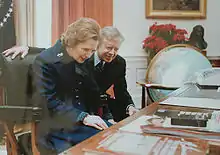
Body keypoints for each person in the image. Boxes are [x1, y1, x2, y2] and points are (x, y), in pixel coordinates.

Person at [3, 26, 139, 122]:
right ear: (97, 44)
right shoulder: (81, 56)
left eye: (116, 49)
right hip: (77, 108)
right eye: (109, 48)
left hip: (99, 105)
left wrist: (130, 107)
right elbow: (55, 54)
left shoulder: (119, 63)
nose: (112, 53)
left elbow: (121, 90)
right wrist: (29, 49)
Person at [31, 18, 111, 154]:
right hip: (57, 129)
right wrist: (83, 117)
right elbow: (48, 102)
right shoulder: (45, 61)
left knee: (117, 135)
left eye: (92, 51)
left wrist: (108, 117)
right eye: (85, 49)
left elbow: (95, 93)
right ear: (72, 42)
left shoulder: (83, 58)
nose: (89, 55)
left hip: (84, 123)